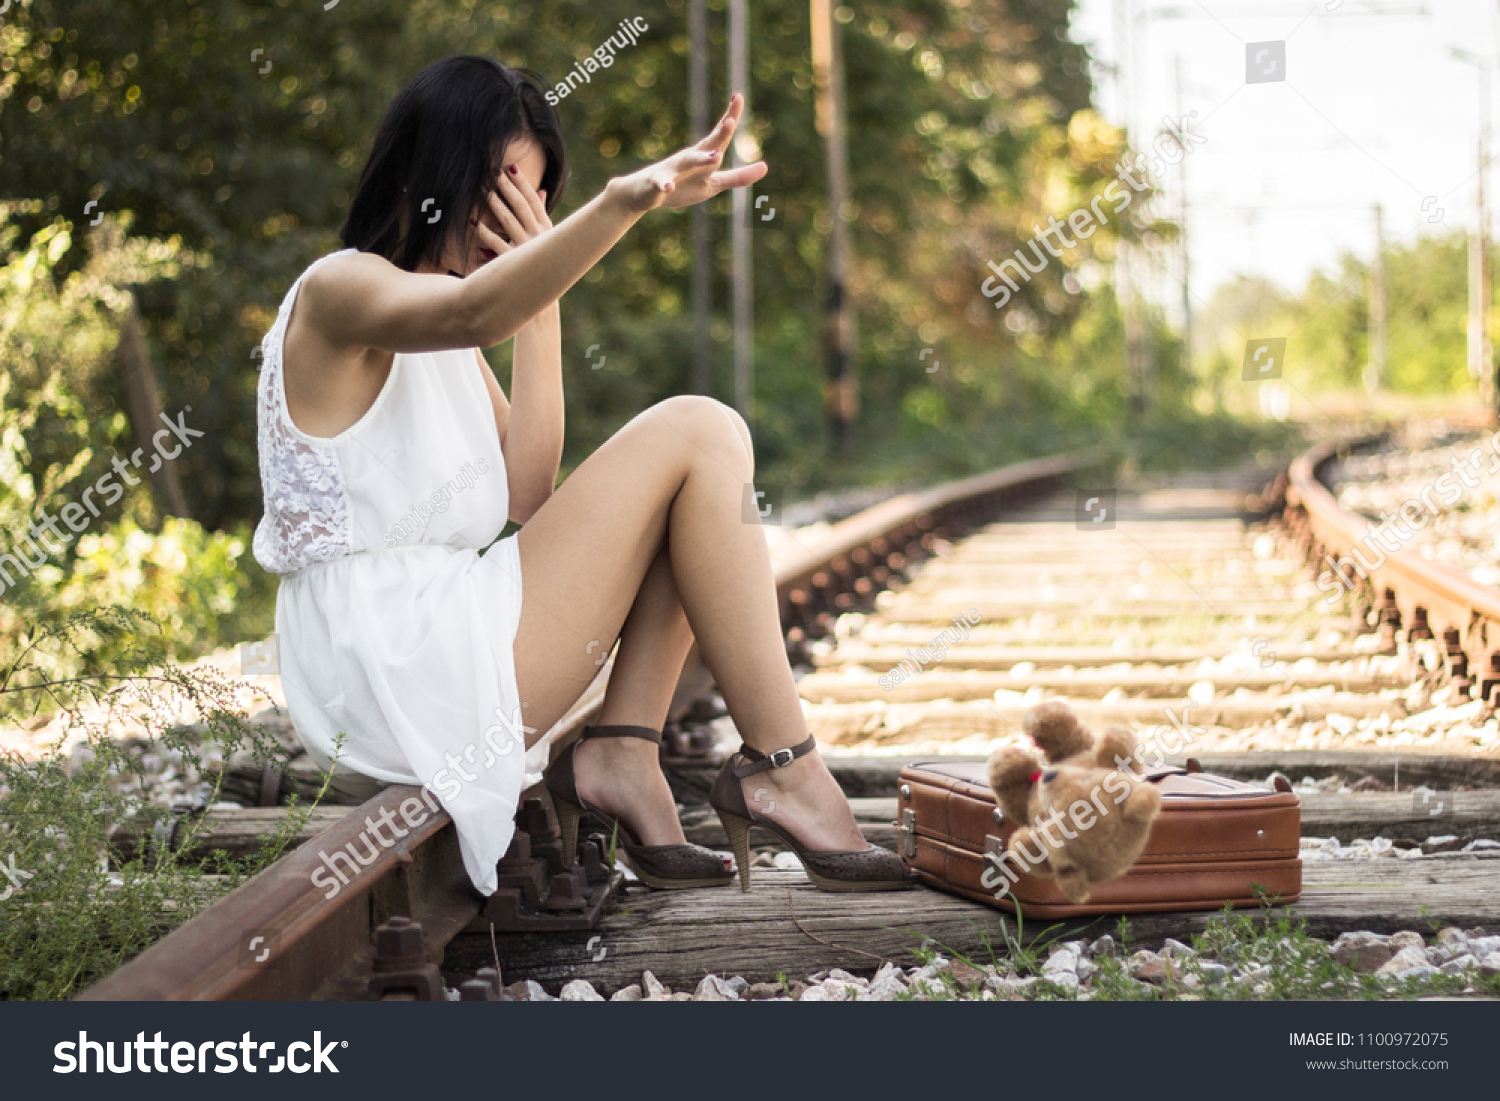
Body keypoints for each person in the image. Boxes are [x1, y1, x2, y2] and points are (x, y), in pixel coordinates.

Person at [252, 55, 911, 896]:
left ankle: (624, 753)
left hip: (432, 638)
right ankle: (786, 767)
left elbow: (529, 493)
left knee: (693, 482)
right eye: (504, 191)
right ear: (437, 171)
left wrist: (544, 306)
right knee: (703, 430)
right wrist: (619, 205)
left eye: (537, 201)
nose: (519, 222)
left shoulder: (446, 337)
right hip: (387, 661)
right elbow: (472, 309)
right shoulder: (343, 289)